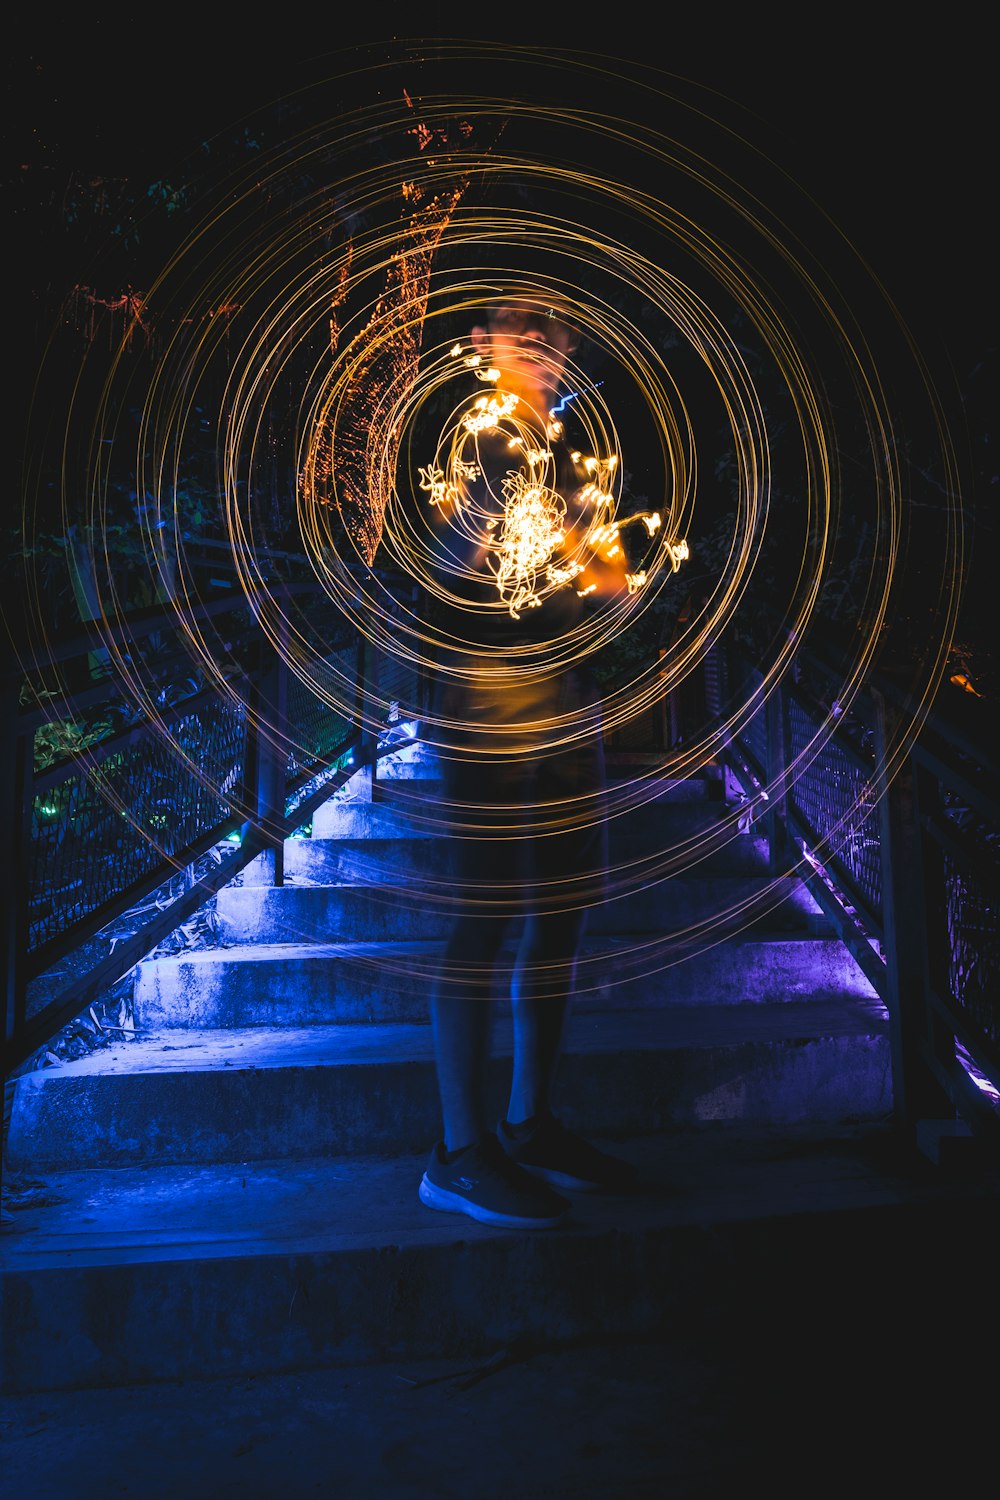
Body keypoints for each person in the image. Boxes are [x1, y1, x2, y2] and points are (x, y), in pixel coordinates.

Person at [414, 287, 642, 1229]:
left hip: (560, 708)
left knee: (560, 920)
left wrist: (602, 574)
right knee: (487, 923)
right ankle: (459, 1154)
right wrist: (502, 535)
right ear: (482, 344)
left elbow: (593, 585)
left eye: (557, 336)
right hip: (491, 711)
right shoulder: (479, 443)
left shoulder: (560, 458)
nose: (544, 349)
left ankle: (529, 1123)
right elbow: (452, 563)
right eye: (524, 333)